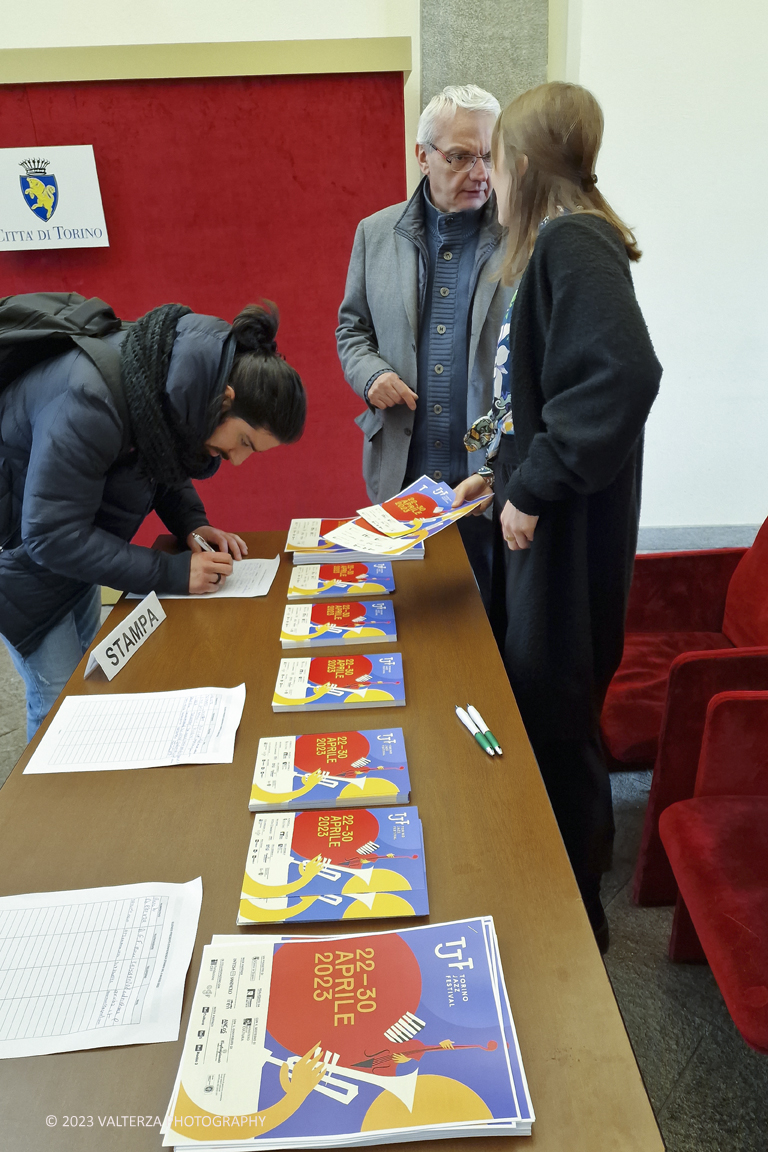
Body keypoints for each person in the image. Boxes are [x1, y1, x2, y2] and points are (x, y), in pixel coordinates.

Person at [453, 82, 662, 950]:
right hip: (533, 516)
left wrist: (534, 489)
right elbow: (525, 391)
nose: (486, 178)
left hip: (565, 536)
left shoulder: (574, 242)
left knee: (556, 707)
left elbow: (622, 375)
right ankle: (548, 884)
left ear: (523, 164)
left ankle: (578, 919)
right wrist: (491, 471)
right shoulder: (546, 244)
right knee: (534, 699)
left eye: (493, 159)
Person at [0, 300, 305, 739]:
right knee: (60, 713)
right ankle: (44, 806)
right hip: (22, 565)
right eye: (244, 442)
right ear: (227, 399)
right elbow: (50, 534)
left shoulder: (168, 380)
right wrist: (172, 572)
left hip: (72, 555)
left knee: (88, 683)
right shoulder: (92, 399)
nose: (237, 460)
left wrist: (192, 524)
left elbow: (160, 459)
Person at [336, 84, 512, 608]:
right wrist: (370, 375)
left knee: (487, 617)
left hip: (489, 475)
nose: (479, 172)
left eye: (489, 156)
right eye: (460, 156)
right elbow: (351, 330)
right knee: (406, 614)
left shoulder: (522, 235)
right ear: (422, 156)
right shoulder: (375, 233)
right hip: (402, 468)